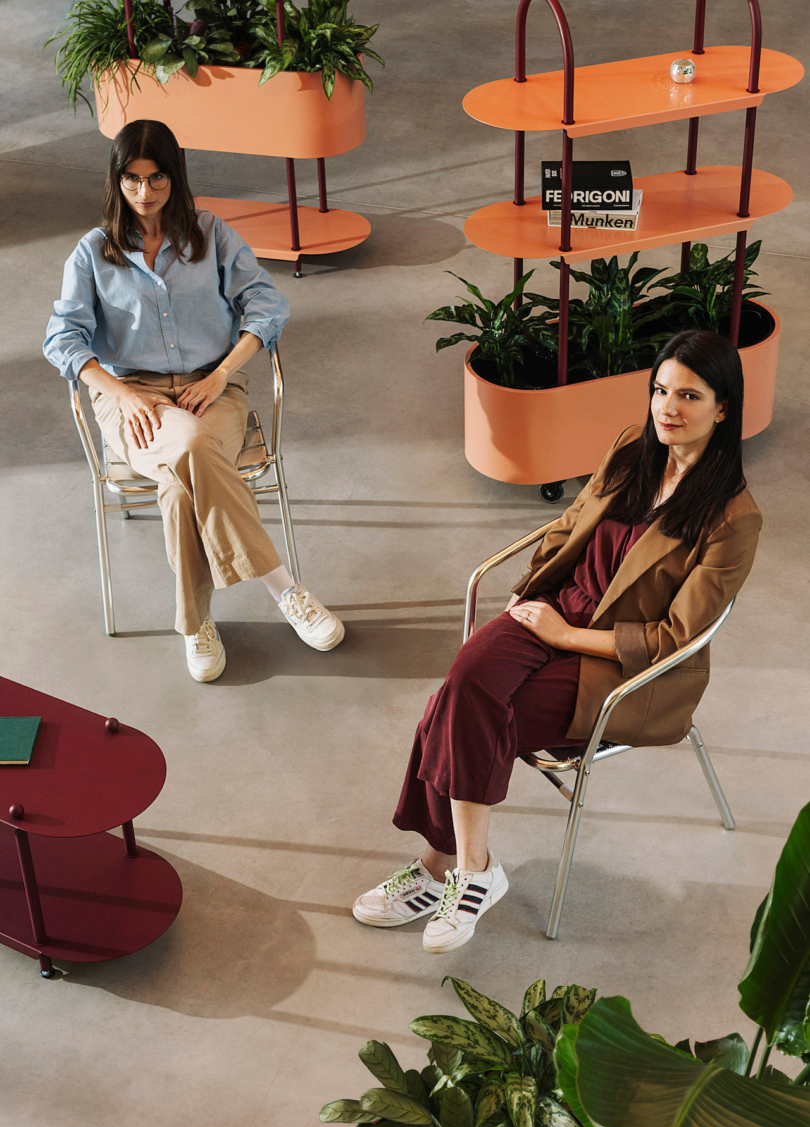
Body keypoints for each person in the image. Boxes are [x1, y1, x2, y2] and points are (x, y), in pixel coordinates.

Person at [353, 330, 762, 954]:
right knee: (462, 689)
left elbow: (676, 636)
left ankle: (448, 871)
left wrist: (569, 634)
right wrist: (534, 589)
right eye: (659, 390)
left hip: (620, 666)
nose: (666, 408)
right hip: (553, 610)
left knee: (465, 713)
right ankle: (471, 872)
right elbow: (570, 525)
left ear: (723, 407)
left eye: (689, 395)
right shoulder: (633, 447)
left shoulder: (733, 518)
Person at [44, 119, 344, 682]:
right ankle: (285, 589)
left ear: (174, 176)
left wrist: (221, 374)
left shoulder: (212, 234)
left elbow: (267, 306)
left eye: (156, 177)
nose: (144, 192)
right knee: (191, 445)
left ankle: (194, 624)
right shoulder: (93, 252)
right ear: (117, 181)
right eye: (131, 179)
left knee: (181, 481)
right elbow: (63, 339)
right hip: (131, 397)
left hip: (214, 388)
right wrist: (120, 393)